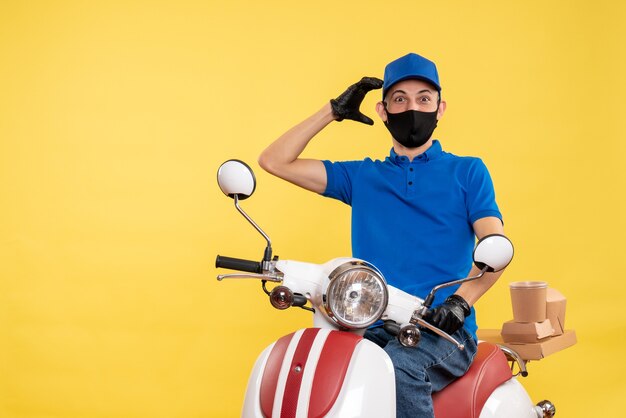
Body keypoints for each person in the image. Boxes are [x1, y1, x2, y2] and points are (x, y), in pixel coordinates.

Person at [258, 52, 506, 418]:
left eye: (424, 99)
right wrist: (332, 111)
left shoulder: (467, 172)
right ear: (382, 111)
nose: (412, 108)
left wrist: (460, 302)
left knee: (400, 369)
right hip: (369, 322)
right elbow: (274, 161)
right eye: (400, 99)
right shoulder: (362, 177)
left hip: (442, 331)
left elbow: (495, 248)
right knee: (316, 365)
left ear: (440, 109)